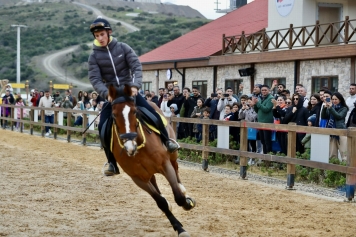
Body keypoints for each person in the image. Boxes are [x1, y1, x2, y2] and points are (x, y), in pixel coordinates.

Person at [88, 16, 179, 176]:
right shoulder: (94, 56)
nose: (100, 38)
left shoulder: (122, 48)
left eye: (102, 34)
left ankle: (167, 141)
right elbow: (95, 78)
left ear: (109, 33)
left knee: (153, 114)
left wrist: (136, 85)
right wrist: (105, 93)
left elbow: (136, 65)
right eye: (97, 36)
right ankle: (111, 163)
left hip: (131, 92)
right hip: (112, 96)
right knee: (103, 127)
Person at [321, 92, 348, 161]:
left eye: (336, 99)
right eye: (332, 99)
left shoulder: (344, 108)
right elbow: (323, 116)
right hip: (332, 133)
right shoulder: (330, 107)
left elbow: (338, 116)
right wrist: (324, 108)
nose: (334, 101)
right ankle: (333, 171)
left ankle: (345, 171)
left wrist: (330, 108)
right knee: (332, 155)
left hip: (341, 132)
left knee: (344, 154)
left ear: (340, 100)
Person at [251, 85, 274, 154]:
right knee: (263, 141)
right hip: (260, 122)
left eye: (265, 90)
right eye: (262, 90)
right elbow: (258, 110)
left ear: (269, 90)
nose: (264, 91)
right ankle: (264, 156)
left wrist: (257, 103)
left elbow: (266, 109)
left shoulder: (271, 98)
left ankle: (268, 157)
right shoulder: (261, 98)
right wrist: (254, 105)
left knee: (267, 141)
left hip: (267, 122)